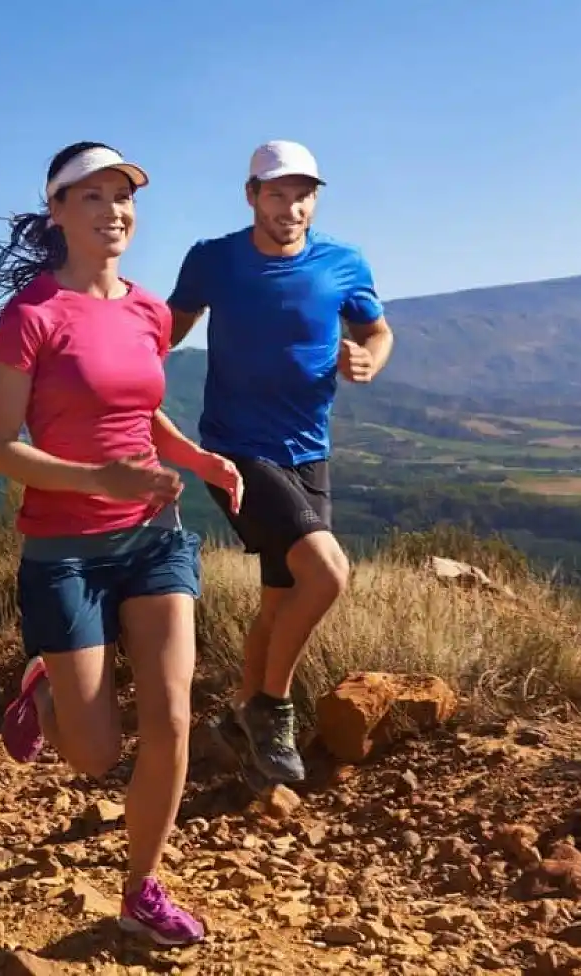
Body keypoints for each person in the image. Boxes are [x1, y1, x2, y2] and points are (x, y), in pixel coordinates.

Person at [0, 140, 244, 947]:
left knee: (171, 716)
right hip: (64, 552)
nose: (113, 210)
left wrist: (194, 459)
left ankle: (141, 889)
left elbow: (135, 407)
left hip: (155, 539)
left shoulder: (148, 309)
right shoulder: (31, 316)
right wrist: (102, 479)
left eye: (123, 196)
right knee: (93, 757)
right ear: (57, 211)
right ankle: (44, 688)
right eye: (92, 197)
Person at [166, 140, 394, 787]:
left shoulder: (343, 264)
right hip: (237, 450)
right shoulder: (215, 261)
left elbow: (376, 331)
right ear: (251, 196)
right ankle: (271, 707)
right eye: (276, 193)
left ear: (314, 198)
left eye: (302, 193)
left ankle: (241, 721)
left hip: (309, 450)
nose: (290, 206)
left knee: (281, 599)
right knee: (326, 573)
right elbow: (161, 333)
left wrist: (369, 357)